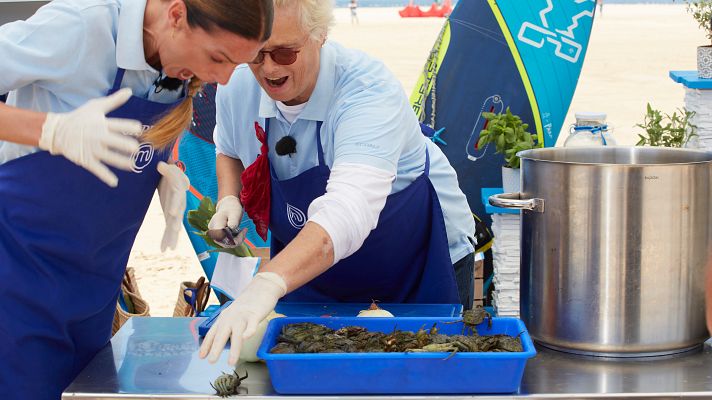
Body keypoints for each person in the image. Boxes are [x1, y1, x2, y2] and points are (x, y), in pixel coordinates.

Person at [0, 0, 272, 397]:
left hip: (95, 285)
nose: (223, 79)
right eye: (217, 58)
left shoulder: (174, 59)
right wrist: (51, 130)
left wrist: (160, 177)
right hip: (17, 275)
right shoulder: (79, 26)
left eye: (237, 65)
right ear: (176, 15)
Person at [200, 0, 476, 366]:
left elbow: (348, 210)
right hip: (313, 268)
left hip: (417, 259)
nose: (267, 68)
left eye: (284, 52)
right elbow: (228, 147)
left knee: (425, 368)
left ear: (321, 35)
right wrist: (228, 199)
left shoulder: (367, 92)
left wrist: (267, 283)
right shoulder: (238, 85)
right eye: (256, 52)